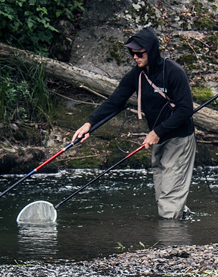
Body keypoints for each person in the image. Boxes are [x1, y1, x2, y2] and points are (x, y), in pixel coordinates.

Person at [72, 27, 196, 219]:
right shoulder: (136, 75)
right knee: (162, 192)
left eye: (139, 53)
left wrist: (157, 132)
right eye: (132, 54)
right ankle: (181, 219)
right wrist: (90, 124)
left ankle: (172, 241)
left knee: (169, 200)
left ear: (152, 50)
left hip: (179, 139)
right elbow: (115, 101)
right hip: (158, 139)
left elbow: (185, 109)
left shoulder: (174, 72)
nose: (135, 57)